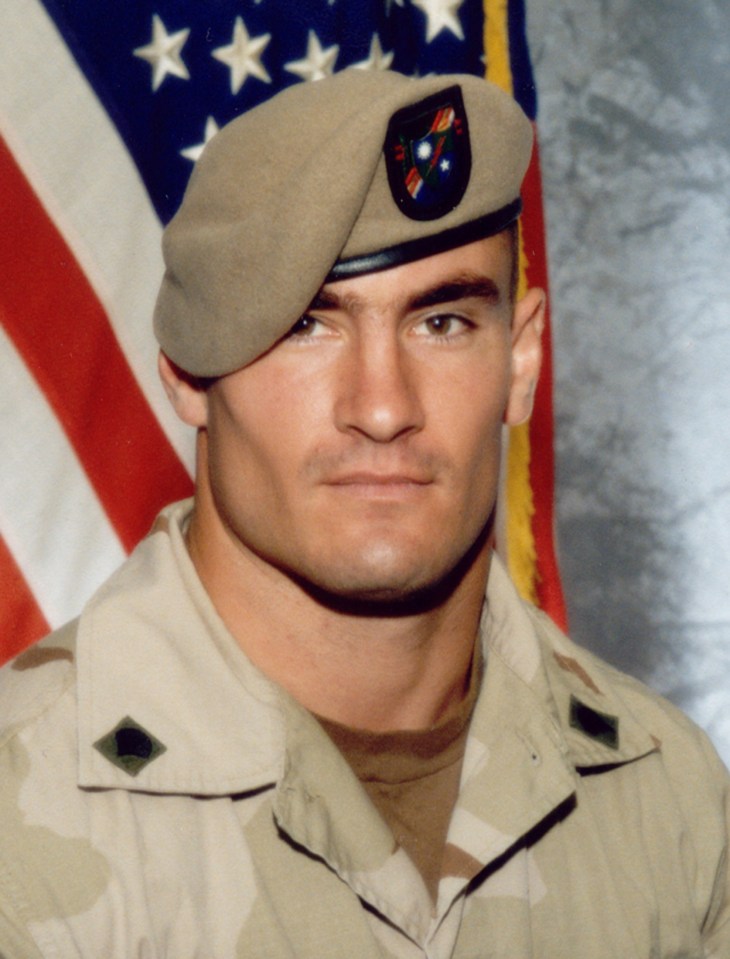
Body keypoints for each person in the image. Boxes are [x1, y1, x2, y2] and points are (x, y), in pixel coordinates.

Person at [0, 69, 727, 959]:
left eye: (445, 323)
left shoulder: (666, 797)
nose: (382, 408)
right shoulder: (19, 821)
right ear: (189, 375)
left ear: (523, 358)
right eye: (309, 325)